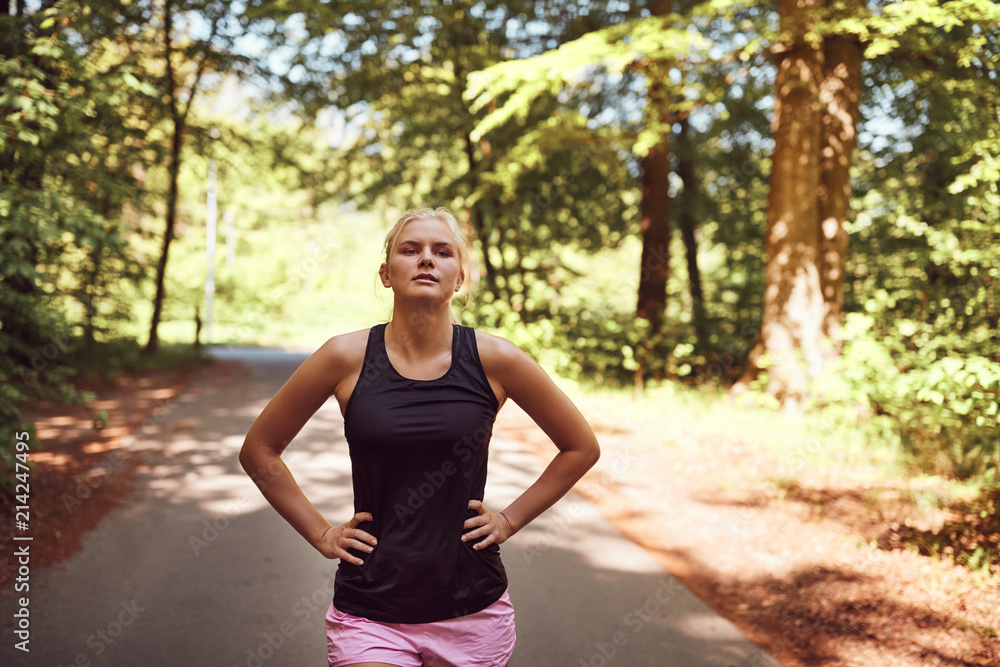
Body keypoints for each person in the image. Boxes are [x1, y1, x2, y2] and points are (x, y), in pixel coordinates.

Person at [239, 207, 600, 667]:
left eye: (442, 251)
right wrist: (321, 534)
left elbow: (581, 447)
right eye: (410, 250)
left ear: (460, 278)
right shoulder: (343, 357)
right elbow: (259, 450)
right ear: (387, 274)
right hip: (370, 610)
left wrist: (508, 521)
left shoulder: (496, 359)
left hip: (472, 609)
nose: (426, 259)